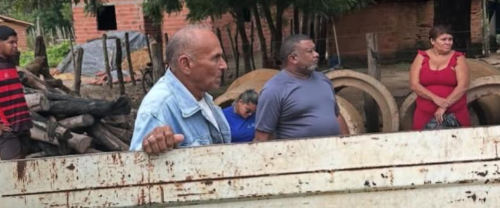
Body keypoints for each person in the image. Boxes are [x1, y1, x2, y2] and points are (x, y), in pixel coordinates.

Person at [130, 26, 231, 154]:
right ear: (186, 64)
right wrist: (153, 144)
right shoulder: (158, 109)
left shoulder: (201, 96)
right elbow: (138, 168)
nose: (224, 65)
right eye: (215, 58)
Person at [254, 34, 348, 142]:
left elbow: (336, 115)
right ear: (293, 58)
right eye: (310, 51)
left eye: (315, 50)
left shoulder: (323, 80)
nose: (316, 54)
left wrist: (346, 143)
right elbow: (262, 136)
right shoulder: (274, 90)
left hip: (332, 152)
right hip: (298, 155)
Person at [409, 25, 471, 131]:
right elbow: (414, 84)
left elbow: (463, 87)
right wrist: (434, 98)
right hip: (424, 113)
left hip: (455, 113)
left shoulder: (458, 58)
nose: (448, 42)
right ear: (432, 41)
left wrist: (443, 106)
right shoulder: (421, 57)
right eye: (443, 39)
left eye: (450, 39)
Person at [0, 26, 33, 160]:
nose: (15, 46)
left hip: (22, 125)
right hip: (5, 129)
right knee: (12, 169)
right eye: (11, 42)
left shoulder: (10, 62)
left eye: (16, 42)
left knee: (22, 167)